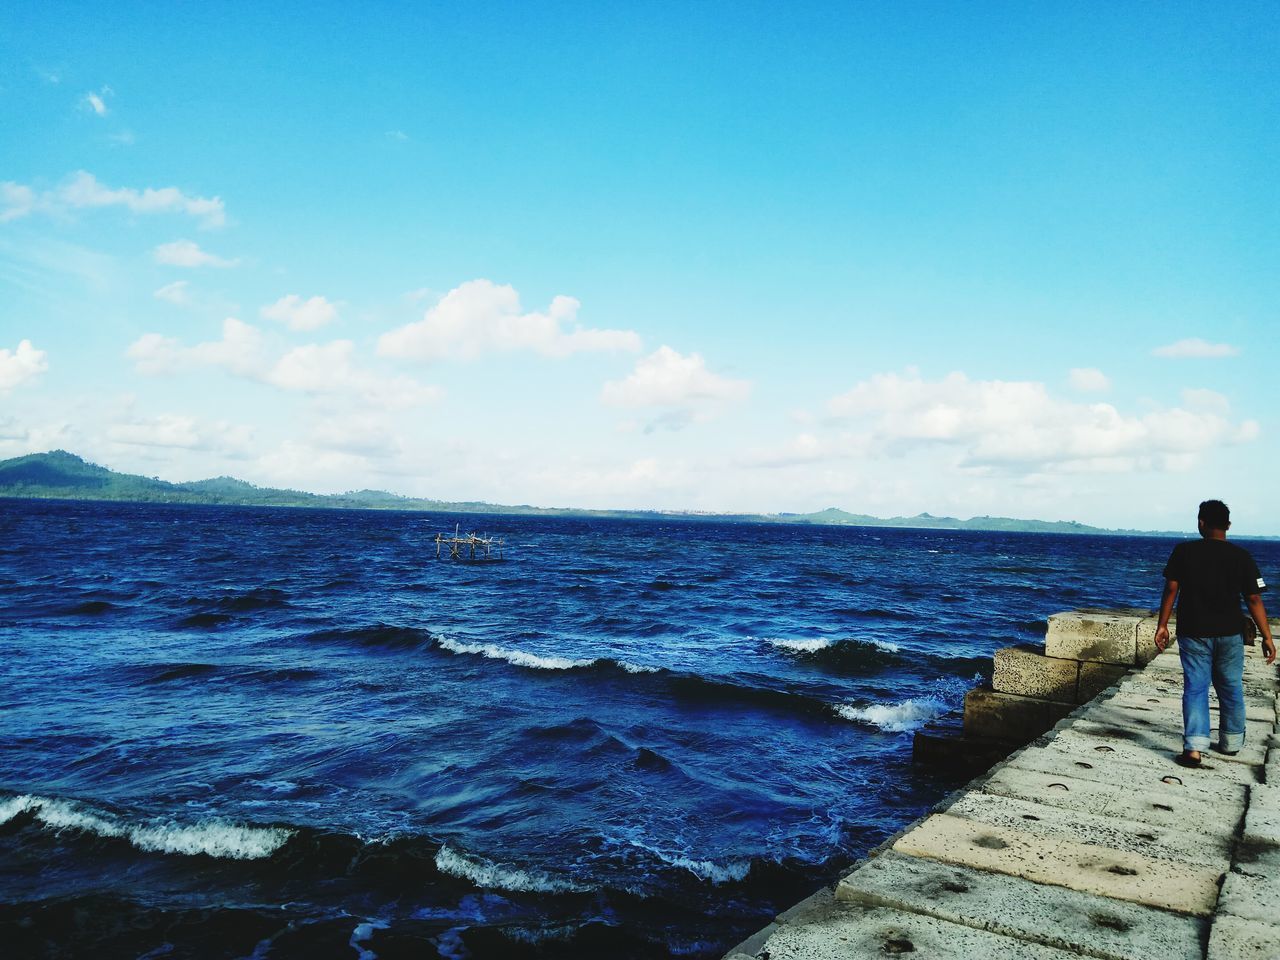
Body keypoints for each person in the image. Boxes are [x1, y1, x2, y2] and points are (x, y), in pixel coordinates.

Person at [1153, 499, 1275, 768]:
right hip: (1231, 633)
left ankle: (1194, 749)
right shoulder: (1241, 556)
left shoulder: (1184, 551)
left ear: (1201, 523)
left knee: (1195, 688)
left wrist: (1162, 625)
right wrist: (1267, 636)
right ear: (1228, 525)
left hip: (1194, 631)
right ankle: (1231, 743)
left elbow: (1171, 589)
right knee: (1230, 686)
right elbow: (1254, 598)